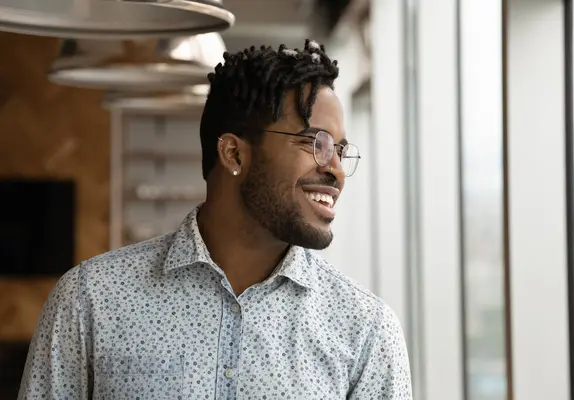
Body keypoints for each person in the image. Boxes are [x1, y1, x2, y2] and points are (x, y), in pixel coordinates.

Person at [19, 39, 412, 399]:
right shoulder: (89, 301)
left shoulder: (366, 331)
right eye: (317, 143)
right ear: (234, 154)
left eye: (340, 150)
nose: (337, 170)